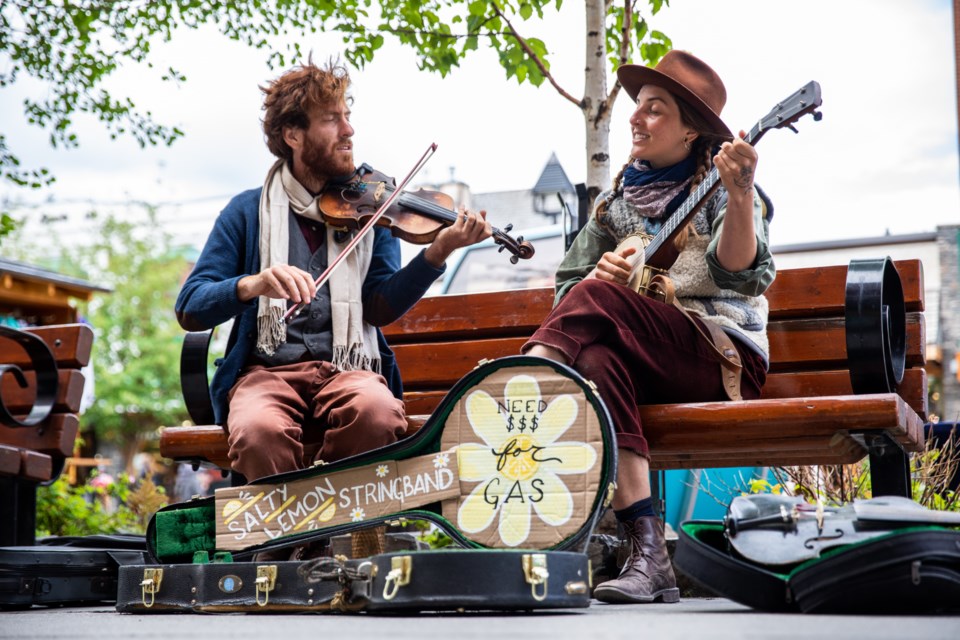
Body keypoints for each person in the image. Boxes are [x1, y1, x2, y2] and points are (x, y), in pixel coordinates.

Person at [522, 50, 775, 604]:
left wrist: (737, 195)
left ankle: (532, 376)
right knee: (593, 362)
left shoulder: (725, 184)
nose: (636, 118)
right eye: (637, 107)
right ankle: (649, 556)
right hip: (651, 360)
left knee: (595, 306)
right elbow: (569, 287)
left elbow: (738, 274)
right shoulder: (615, 205)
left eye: (655, 109)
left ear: (691, 133)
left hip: (721, 357)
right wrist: (597, 272)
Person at [175, 58, 491, 495]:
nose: (349, 130)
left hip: (349, 368)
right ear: (293, 135)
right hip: (266, 373)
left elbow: (380, 307)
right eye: (332, 119)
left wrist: (436, 253)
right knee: (258, 431)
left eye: (348, 116)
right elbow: (191, 306)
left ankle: (340, 543)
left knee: (377, 413)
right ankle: (290, 551)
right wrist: (254, 284)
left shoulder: (373, 208)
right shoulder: (247, 212)